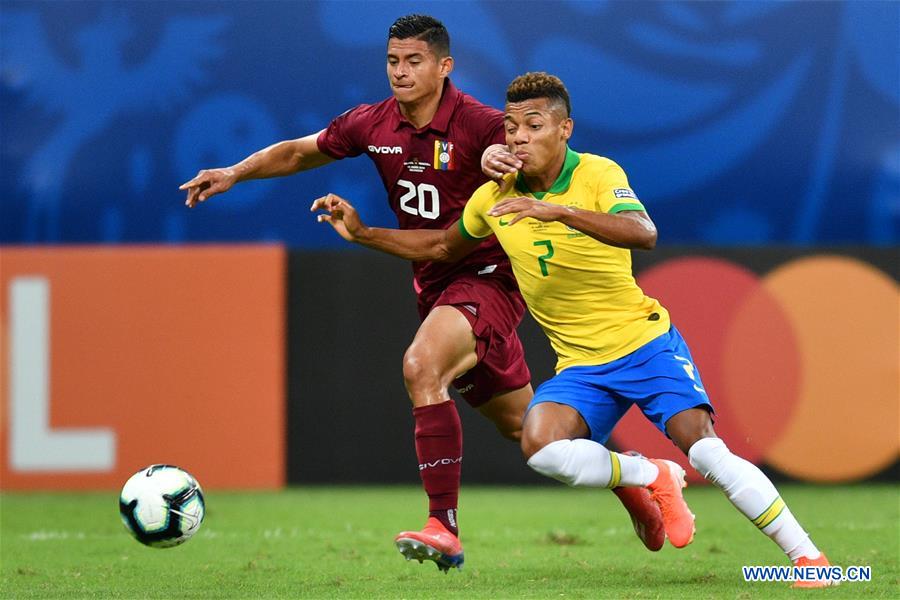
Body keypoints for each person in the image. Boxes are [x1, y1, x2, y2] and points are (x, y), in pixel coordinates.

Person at [311, 72, 835, 587]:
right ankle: (652, 475)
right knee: (540, 447)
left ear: (565, 130)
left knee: (703, 449)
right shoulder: (493, 197)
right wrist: (362, 234)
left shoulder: (598, 174)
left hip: (643, 345)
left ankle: (809, 559)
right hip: (582, 366)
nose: (519, 137)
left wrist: (556, 211)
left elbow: (644, 233)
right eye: (512, 126)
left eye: (534, 125)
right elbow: (444, 247)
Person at [180, 17, 663, 571]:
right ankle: (636, 483)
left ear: (444, 67)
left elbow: (535, 159)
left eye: (413, 61)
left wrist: (498, 162)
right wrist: (234, 172)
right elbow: (299, 151)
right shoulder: (372, 123)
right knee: (522, 425)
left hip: (492, 277)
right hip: (436, 280)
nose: (401, 72)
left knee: (420, 365)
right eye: (392, 61)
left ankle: (444, 526)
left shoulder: (485, 124)